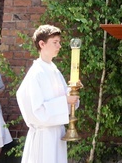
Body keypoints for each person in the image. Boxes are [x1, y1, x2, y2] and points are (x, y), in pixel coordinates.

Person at [16, 24, 80, 163]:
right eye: (55, 42)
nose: (59, 46)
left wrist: (73, 91)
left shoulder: (53, 69)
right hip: (44, 136)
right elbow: (38, 110)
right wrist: (65, 101)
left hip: (57, 133)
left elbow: (64, 98)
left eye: (59, 42)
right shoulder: (36, 73)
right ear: (42, 44)